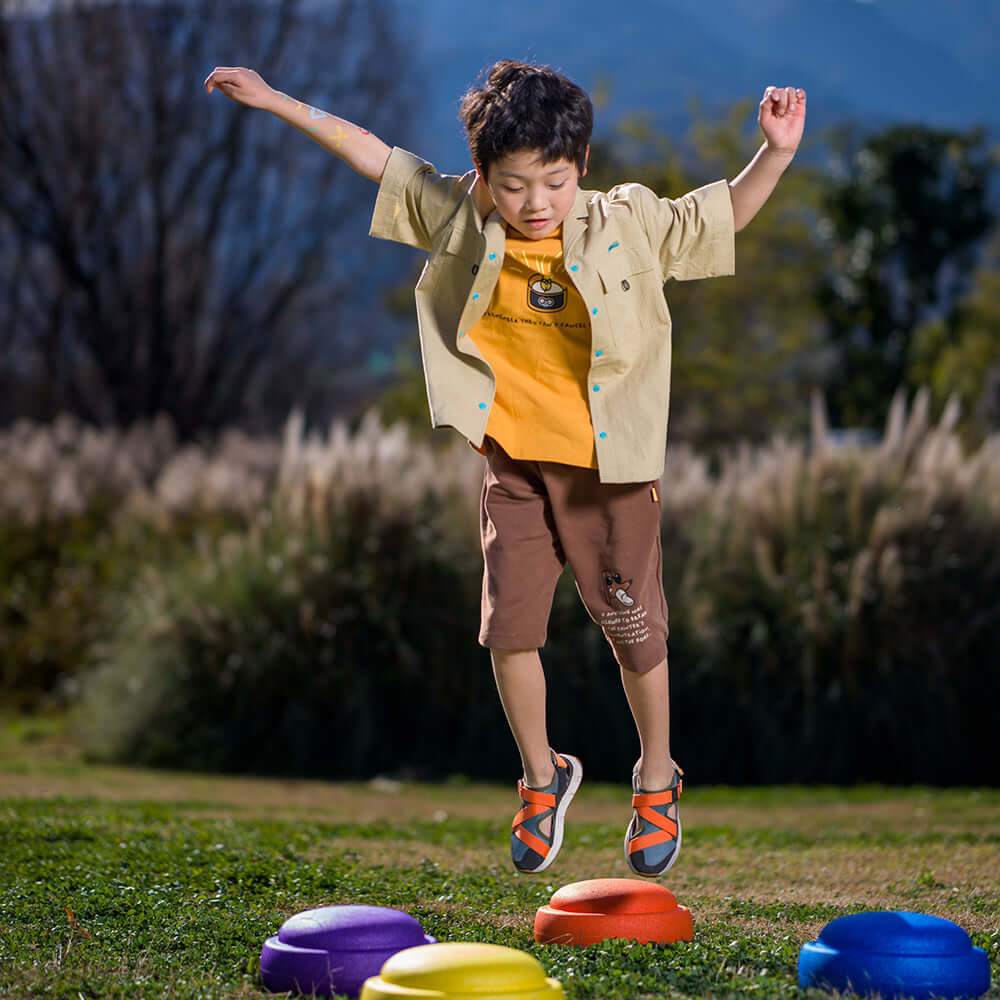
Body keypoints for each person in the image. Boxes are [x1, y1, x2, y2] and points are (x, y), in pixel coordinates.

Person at [204, 59, 806, 878]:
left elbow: (719, 217)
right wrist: (275, 100)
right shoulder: (460, 216)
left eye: (553, 182)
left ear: (582, 168)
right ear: (484, 173)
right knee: (509, 631)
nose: (534, 203)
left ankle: (657, 778)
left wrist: (773, 153)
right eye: (515, 183)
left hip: (609, 472)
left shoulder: (628, 221)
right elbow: (374, 155)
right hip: (514, 466)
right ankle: (541, 776)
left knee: (636, 632)